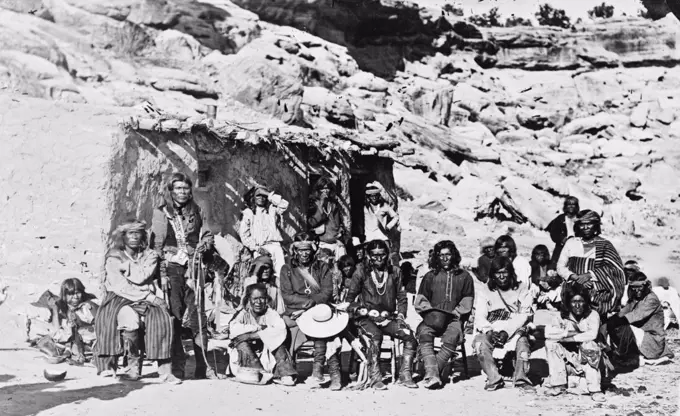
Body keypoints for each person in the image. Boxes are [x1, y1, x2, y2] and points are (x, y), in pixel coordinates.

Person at [150, 172, 221, 380]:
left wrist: (204, 244)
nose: (182, 192)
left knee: (198, 316)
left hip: (194, 267)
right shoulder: (162, 212)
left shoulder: (198, 210)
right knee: (174, 316)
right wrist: (161, 270)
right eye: (178, 188)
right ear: (171, 191)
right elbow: (157, 244)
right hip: (171, 269)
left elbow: (207, 233)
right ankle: (177, 367)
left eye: (185, 188)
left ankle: (204, 366)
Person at [95, 220, 179, 384]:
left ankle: (165, 371)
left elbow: (142, 277)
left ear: (143, 235)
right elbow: (120, 286)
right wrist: (149, 296)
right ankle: (129, 365)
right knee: (129, 321)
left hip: (143, 298)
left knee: (162, 319)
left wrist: (127, 268)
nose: (134, 236)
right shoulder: (114, 256)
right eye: (129, 233)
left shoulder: (150, 255)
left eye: (137, 232)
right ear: (123, 236)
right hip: (120, 298)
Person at [346, 239, 418, 390]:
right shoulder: (361, 271)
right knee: (375, 336)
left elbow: (402, 297)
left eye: (382, 255)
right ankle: (375, 377)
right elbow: (350, 300)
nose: (378, 259)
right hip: (366, 319)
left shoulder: (395, 272)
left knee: (409, 335)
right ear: (368, 256)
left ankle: (405, 374)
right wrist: (360, 310)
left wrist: (401, 315)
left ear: (388, 255)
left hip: (388, 318)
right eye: (374, 255)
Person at [279, 232, 342, 390]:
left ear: (313, 250)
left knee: (326, 330)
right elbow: (287, 296)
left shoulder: (322, 267)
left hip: (319, 309)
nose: (304, 253)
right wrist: (306, 304)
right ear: (295, 251)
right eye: (300, 250)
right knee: (282, 329)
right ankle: (288, 370)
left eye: (307, 249)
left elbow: (327, 291)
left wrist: (313, 302)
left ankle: (324, 373)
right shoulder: (287, 269)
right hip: (295, 311)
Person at [415, 240, 475, 389]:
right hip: (433, 318)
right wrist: (432, 313)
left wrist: (455, 313)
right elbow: (421, 300)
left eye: (448, 254)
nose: (445, 258)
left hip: (454, 318)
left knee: (452, 335)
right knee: (423, 332)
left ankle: (431, 373)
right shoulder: (430, 276)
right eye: (441, 255)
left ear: (454, 255)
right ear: (436, 257)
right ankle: (434, 374)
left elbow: (467, 300)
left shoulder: (465, 276)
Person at [472, 257, 534, 391]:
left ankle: (521, 379)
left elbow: (523, 314)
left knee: (522, 343)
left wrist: (506, 332)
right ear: (492, 274)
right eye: (497, 273)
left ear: (511, 272)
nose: (501, 276)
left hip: (514, 327)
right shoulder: (485, 290)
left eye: (505, 272)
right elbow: (480, 315)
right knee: (480, 343)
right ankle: (494, 378)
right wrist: (489, 331)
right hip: (492, 327)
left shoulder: (522, 288)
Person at [556, 210, 626, 317]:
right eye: (582, 224)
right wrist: (577, 278)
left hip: (598, 296)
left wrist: (589, 275)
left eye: (589, 224)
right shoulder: (571, 243)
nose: (585, 228)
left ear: (596, 225)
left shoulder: (605, 245)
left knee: (596, 327)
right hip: (572, 293)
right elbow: (560, 267)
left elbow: (616, 269)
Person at [544, 283, 606, 402]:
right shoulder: (561, 316)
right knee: (551, 344)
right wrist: (567, 334)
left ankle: (595, 389)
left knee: (589, 344)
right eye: (573, 301)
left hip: (591, 361)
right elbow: (549, 333)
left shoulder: (593, 315)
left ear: (586, 302)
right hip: (570, 359)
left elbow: (592, 334)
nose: (577, 305)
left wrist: (571, 338)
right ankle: (558, 384)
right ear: (568, 303)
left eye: (581, 301)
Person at [228, 284, 298, 386]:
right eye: (255, 298)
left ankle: (285, 374)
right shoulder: (243, 313)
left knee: (277, 340)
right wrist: (258, 328)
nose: (258, 302)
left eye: (262, 298)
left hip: (268, 355)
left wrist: (253, 335)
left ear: (267, 299)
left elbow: (280, 329)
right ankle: (258, 372)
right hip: (250, 357)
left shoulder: (271, 313)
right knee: (240, 340)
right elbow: (234, 329)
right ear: (249, 300)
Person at [607, 272, 674, 368]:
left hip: (652, 341)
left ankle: (630, 357)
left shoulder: (651, 299)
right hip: (642, 337)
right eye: (634, 287)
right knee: (613, 323)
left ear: (645, 285)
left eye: (640, 287)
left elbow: (633, 316)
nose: (637, 290)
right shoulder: (635, 298)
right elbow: (622, 313)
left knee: (622, 326)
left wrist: (613, 322)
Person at [27, 278, 98, 366]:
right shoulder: (61, 305)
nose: (75, 297)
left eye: (78, 293)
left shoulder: (88, 306)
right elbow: (56, 330)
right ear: (64, 295)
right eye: (71, 294)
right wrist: (55, 311)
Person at [238, 184, 289, 280]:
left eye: (263, 196)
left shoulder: (272, 210)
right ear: (253, 197)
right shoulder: (249, 213)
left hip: (276, 246)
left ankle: (277, 293)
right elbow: (244, 235)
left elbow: (284, 204)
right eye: (258, 195)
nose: (261, 198)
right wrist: (257, 248)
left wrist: (269, 194)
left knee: (280, 275)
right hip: (260, 248)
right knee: (261, 275)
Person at [308, 177, 347, 259]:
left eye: (327, 188)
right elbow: (312, 223)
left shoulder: (333, 204)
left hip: (336, 243)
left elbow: (338, 223)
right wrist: (321, 205)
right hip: (322, 244)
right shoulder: (313, 204)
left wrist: (340, 233)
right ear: (318, 190)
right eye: (323, 188)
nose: (325, 191)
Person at [363, 182, 400, 265]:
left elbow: (396, 217)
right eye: (371, 196)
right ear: (369, 197)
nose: (374, 198)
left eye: (375, 195)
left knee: (385, 258)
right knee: (369, 259)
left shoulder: (384, 206)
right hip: (370, 236)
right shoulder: (365, 207)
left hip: (382, 235)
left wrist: (388, 226)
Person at [546, 196, 580, 268]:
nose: (571, 206)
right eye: (569, 204)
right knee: (557, 267)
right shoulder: (560, 218)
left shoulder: (580, 218)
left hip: (577, 247)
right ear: (565, 206)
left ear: (576, 206)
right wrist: (562, 239)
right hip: (562, 247)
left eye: (573, 204)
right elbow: (554, 233)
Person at [531, 245, 563, 310]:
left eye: (541, 255)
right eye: (537, 255)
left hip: (549, 288)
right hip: (538, 288)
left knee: (559, 289)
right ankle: (534, 303)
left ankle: (548, 302)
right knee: (533, 287)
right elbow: (531, 277)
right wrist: (541, 279)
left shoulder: (552, 264)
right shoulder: (532, 265)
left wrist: (552, 279)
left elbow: (559, 279)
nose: (539, 257)